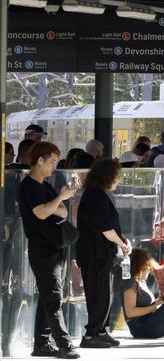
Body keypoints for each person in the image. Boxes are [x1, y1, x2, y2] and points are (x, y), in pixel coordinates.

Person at [17, 142, 79, 359]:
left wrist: (56, 202)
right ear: (39, 160)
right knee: (53, 297)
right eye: (52, 161)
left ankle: (42, 343)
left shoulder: (46, 187)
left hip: (55, 246)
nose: (54, 166)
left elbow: (61, 212)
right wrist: (59, 200)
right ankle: (64, 344)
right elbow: (43, 213)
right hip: (41, 249)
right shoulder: (29, 187)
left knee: (50, 296)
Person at [76, 159, 131, 348]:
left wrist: (122, 240)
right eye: (116, 177)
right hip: (94, 255)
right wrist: (122, 244)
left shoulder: (97, 195)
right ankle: (91, 334)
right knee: (99, 295)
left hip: (100, 254)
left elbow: (109, 227)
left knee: (104, 295)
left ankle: (99, 330)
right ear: (107, 177)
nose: (118, 181)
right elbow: (105, 229)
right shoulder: (95, 196)